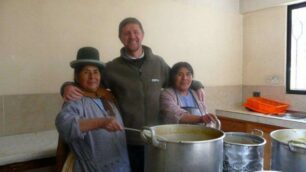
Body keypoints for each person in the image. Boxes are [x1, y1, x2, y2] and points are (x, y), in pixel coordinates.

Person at [61, 17, 204, 172]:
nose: (132, 36)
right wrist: (67, 86)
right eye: (126, 33)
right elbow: (90, 84)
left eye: (136, 32)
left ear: (142, 34)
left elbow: (178, 78)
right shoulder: (112, 68)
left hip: (157, 140)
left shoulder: (158, 63)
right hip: (127, 142)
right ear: (120, 38)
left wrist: (197, 85)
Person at [56, 47, 130, 172]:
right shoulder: (75, 100)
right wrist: (102, 122)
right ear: (77, 76)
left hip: (122, 166)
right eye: (86, 72)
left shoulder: (108, 96)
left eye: (96, 72)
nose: (92, 76)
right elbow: (64, 124)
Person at [160, 62, 219, 127]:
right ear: (173, 77)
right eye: (180, 74)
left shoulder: (197, 93)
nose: (184, 78)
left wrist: (209, 122)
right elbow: (174, 114)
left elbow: (205, 113)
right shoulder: (167, 94)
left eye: (188, 74)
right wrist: (201, 118)